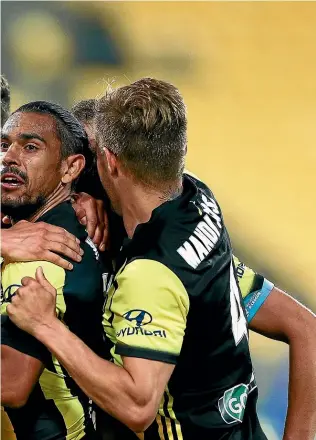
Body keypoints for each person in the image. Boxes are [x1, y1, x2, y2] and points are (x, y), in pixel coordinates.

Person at [5, 78, 270, 440]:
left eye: (90, 162)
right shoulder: (195, 201)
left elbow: (137, 408)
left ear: (104, 163)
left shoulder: (147, 270)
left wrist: (46, 326)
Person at [0, 101, 108, 439]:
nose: (9, 157)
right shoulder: (81, 224)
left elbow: (11, 383)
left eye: (30, 147)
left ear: (70, 168)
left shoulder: (36, 257)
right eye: (5, 145)